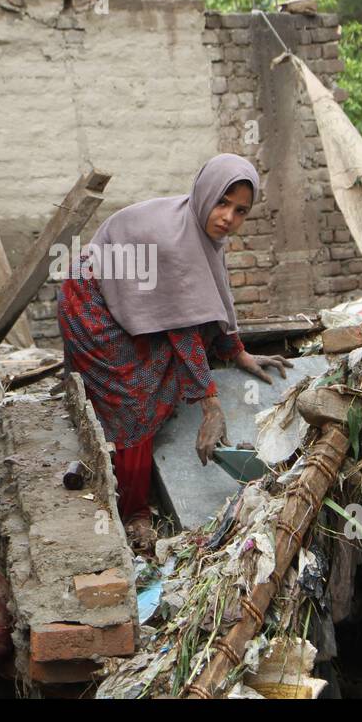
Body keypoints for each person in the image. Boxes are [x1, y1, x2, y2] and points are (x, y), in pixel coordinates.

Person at [57, 154, 291, 550]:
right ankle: (135, 510)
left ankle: (127, 480)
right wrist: (210, 406)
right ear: (204, 195)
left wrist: (237, 353)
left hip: (125, 295)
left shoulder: (200, 233)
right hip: (91, 304)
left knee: (168, 366)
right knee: (134, 396)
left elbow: (207, 297)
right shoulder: (174, 238)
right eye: (222, 203)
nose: (227, 218)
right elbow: (183, 329)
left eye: (240, 211)